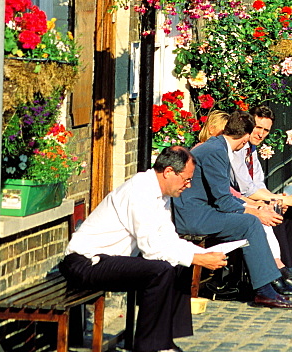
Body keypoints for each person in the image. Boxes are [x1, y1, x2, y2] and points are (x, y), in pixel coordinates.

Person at [59, 146, 226, 352]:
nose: (188, 185)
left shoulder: (160, 195)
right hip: (85, 262)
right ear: (168, 172)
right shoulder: (140, 191)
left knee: (178, 264)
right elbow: (151, 248)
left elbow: (168, 239)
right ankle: (149, 346)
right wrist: (195, 258)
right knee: (161, 269)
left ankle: (165, 341)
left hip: (109, 259)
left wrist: (204, 254)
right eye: (186, 179)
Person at [172, 110, 292, 309]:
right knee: (250, 223)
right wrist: (257, 212)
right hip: (193, 216)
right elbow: (223, 201)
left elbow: (225, 198)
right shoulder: (215, 151)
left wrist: (255, 209)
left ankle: (268, 286)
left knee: (251, 221)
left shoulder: (216, 147)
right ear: (245, 136)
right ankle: (265, 290)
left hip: (202, 210)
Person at [229, 104, 292, 297]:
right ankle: (278, 271)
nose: (260, 134)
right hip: (238, 202)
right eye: (258, 128)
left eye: (266, 130)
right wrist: (280, 200)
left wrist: (278, 200)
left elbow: (259, 184)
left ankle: (285, 269)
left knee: (282, 208)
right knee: (276, 207)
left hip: (248, 198)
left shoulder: (251, 151)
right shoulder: (237, 150)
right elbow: (246, 189)